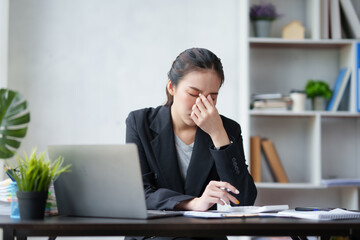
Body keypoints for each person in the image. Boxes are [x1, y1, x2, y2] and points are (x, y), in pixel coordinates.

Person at [125, 48, 257, 240]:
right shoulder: (140, 122)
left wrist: (218, 135)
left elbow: (244, 200)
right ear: (172, 87)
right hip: (154, 235)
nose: (202, 104)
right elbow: (138, 194)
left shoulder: (228, 129)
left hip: (201, 236)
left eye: (212, 97)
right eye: (194, 94)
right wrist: (193, 203)